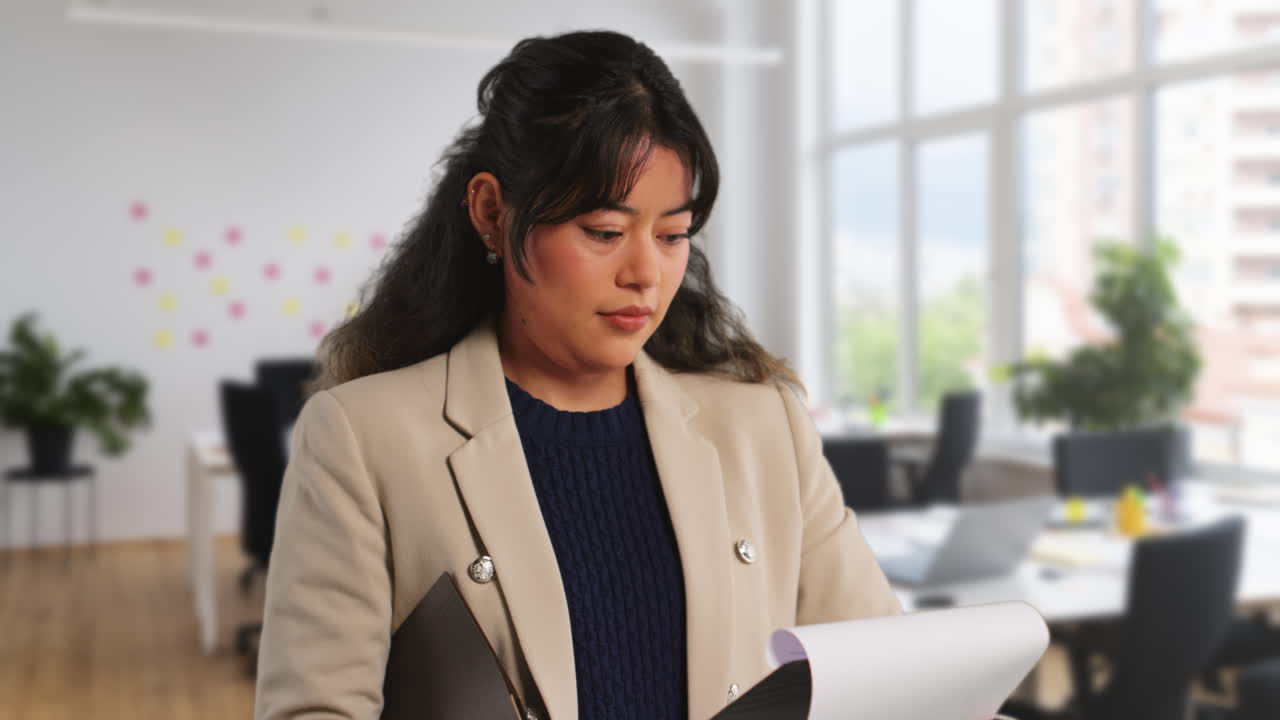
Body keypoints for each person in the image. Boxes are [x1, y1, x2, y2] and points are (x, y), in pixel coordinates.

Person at [254, 29, 899, 720]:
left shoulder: (762, 424)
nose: (646, 274)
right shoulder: (363, 439)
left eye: (673, 234)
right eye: (602, 231)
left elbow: (886, 673)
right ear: (493, 215)